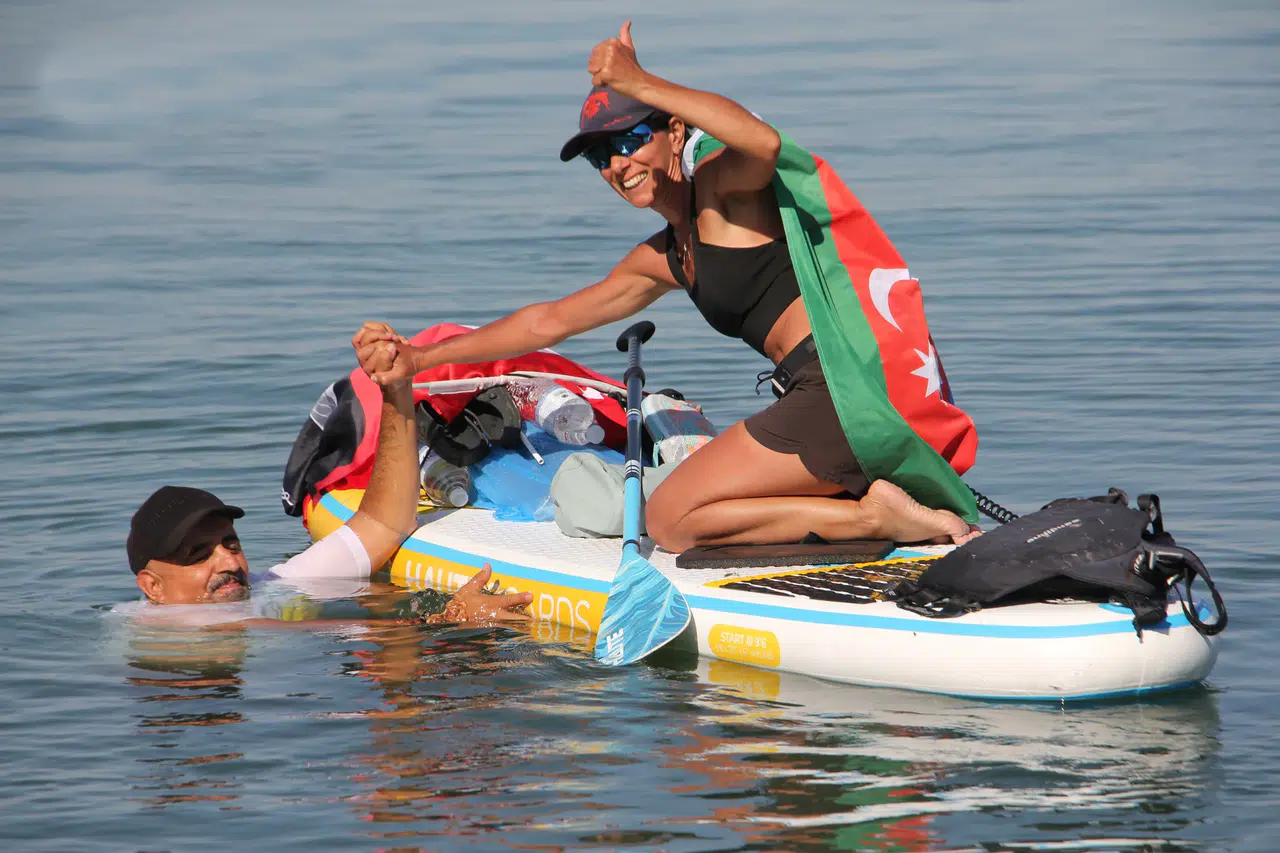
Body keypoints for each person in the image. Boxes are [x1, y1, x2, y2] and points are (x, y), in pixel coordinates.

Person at [355, 23, 982, 553]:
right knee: (691, 501)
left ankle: (873, 517)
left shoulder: (723, 192)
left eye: (632, 140)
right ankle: (872, 508)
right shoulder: (667, 257)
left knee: (669, 519)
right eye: (602, 158)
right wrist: (420, 358)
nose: (619, 165)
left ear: (676, 133)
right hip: (827, 405)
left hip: (838, 399)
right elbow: (547, 322)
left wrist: (637, 82)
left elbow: (762, 141)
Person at [121, 322, 533, 626]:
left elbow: (383, 523)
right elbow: (284, 633)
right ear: (152, 587)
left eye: (229, 543)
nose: (227, 559)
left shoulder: (272, 586)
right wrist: (451, 619)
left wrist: (396, 388)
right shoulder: (158, 627)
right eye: (198, 555)